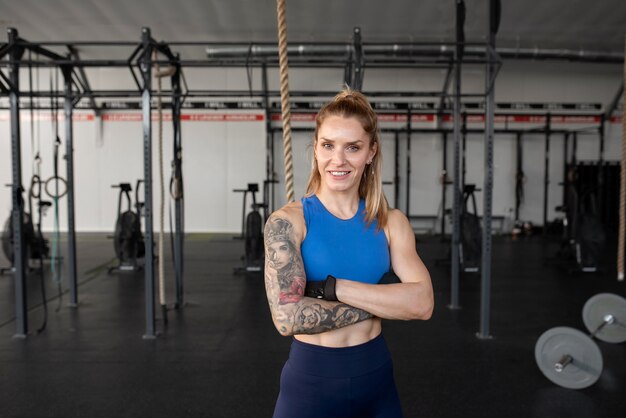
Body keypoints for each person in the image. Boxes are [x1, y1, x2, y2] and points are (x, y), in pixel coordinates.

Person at [264, 88, 434, 418]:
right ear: (315, 149)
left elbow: (423, 303)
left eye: (352, 147)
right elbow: (287, 318)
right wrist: (387, 303)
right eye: (328, 145)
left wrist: (333, 288)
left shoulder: (391, 222)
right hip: (311, 382)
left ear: (370, 152)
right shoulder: (288, 222)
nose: (338, 160)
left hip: (377, 378)